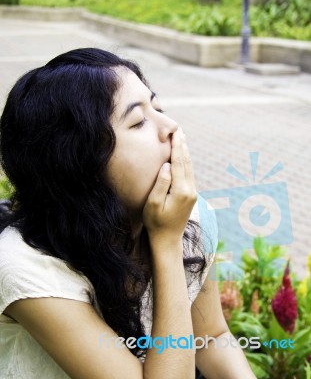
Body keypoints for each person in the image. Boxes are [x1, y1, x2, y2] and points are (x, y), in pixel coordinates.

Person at [0, 48, 256, 379]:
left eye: (158, 107)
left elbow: (212, 339)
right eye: (138, 121)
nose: (170, 127)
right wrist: (166, 241)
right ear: (79, 164)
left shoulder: (187, 217)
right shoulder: (25, 266)